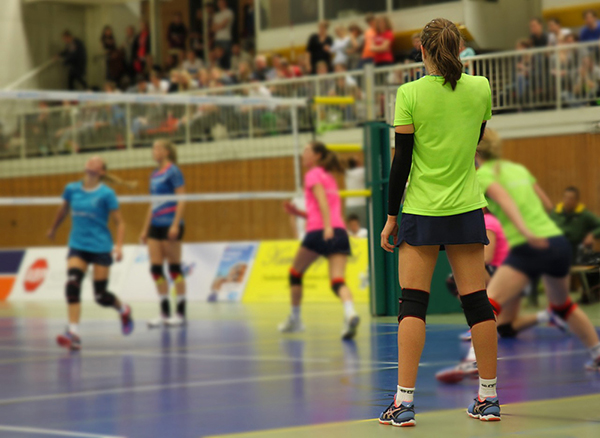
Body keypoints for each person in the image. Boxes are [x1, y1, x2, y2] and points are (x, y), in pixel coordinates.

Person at [379, 18, 499, 426]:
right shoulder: (481, 88)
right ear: (460, 50)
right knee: (477, 302)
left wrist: (391, 217)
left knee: (413, 303)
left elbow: (402, 162)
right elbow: (476, 135)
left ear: (423, 50)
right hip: (466, 207)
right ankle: (488, 397)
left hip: (421, 210)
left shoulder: (409, 93)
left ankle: (404, 403)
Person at [452, 129, 600, 379]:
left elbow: (506, 202)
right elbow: (547, 204)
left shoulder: (485, 175)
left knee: (488, 303)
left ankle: (473, 360)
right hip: (556, 243)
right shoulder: (516, 169)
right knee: (562, 304)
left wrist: (525, 231)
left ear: (474, 150)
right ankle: (597, 352)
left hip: (529, 244)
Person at [47, 156, 134, 350]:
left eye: (97, 162)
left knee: (100, 296)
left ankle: (124, 309)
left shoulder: (106, 193)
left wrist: (119, 246)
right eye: (90, 160)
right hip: (77, 246)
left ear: (102, 171)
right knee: (72, 284)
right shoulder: (72, 189)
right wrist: (53, 229)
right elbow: (62, 210)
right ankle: (74, 333)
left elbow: (120, 222)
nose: (92, 162)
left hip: (101, 246)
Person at [279, 142, 360, 340]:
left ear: (316, 156)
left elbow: (322, 202)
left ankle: (296, 319)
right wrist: (297, 213)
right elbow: (323, 209)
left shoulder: (313, 175)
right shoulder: (330, 178)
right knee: (337, 281)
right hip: (339, 230)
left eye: (306, 150)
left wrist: (326, 227)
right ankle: (350, 313)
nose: (303, 154)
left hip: (321, 231)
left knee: (295, 273)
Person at [140, 140, 187, 328]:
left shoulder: (173, 171)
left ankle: (181, 312)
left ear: (167, 151)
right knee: (156, 269)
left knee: (174, 269)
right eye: (153, 148)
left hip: (170, 224)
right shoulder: (153, 174)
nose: (154, 151)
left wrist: (175, 225)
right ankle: (164, 311)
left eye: (158, 148)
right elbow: (153, 203)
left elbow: (182, 199)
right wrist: (145, 229)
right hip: (155, 225)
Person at [552, 186, 600, 259]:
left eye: (571, 199)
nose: (567, 201)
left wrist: (592, 235)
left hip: (575, 250)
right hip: (557, 249)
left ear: (576, 200)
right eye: (566, 198)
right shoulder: (555, 213)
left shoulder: (584, 214)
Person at [213, 0, 234, 68]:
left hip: (226, 38)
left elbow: (223, 25)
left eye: (221, 2)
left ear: (225, 3)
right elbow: (213, 28)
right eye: (218, 3)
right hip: (217, 38)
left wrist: (218, 26)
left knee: (226, 57)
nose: (220, 4)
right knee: (218, 57)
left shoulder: (229, 12)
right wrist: (219, 26)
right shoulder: (217, 15)